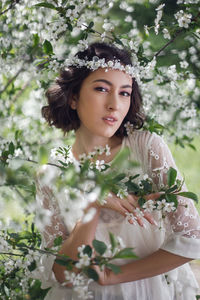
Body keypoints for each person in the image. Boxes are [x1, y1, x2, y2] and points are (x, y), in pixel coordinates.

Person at [35, 42, 200, 300]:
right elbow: (63, 274)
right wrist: (93, 204)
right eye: (102, 89)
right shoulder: (53, 171)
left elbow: (192, 239)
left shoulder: (146, 148)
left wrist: (114, 277)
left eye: (124, 93)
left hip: (146, 291)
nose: (114, 104)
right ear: (74, 97)